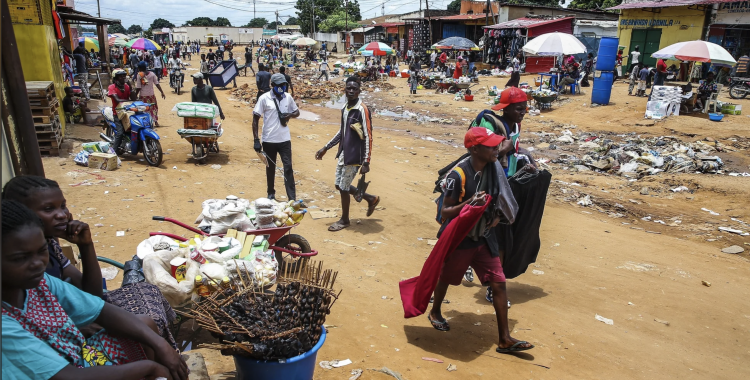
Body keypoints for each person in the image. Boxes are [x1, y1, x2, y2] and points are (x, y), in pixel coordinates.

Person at [0, 200, 190, 380]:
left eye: (41, 251)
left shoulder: (40, 283)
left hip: (76, 358)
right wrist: (150, 367)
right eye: (20, 258)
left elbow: (101, 309)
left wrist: (161, 344)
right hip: (67, 374)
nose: (37, 264)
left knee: (144, 325)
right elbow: (69, 377)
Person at [428, 127, 534, 354]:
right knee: (446, 277)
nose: (497, 148)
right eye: (491, 145)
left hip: (485, 236)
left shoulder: (493, 168)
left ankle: (505, 338)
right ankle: (435, 311)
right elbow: (445, 211)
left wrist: (496, 215)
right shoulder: (459, 175)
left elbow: (498, 196)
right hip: (462, 238)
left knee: (498, 281)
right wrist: (468, 205)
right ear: (475, 149)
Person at [315, 76, 380, 232]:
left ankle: (345, 220)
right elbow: (342, 131)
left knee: (344, 188)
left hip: (355, 156)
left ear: (359, 91)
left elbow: (368, 136)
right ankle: (370, 198)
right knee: (339, 185)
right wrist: (326, 147)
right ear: (344, 89)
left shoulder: (362, 110)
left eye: (354, 88)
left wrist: (366, 161)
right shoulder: (345, 107)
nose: (351, 91)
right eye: (348, 88)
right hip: (344, 153)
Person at [253, 74, 301, 201]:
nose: (282, 87)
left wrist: (289, 115)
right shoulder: (264, 98)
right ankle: (271, 193)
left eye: (283, 85)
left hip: (285, 139)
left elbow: (297, 112)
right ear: (272, 85)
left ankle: (292, 198)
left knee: (288, 167)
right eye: (279, 85)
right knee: (271, 167)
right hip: (269, 139)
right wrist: (256, 139)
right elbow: (255, 119)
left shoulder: (288, 97)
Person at [107, 69, 137, 151]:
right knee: (120, 133)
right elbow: (117, 100)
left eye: (124, 75)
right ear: (116, 78)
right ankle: (114, 151)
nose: (123, 77)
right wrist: (130, 101)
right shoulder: (112, 87)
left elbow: (134, 98)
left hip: (128, 111)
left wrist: (130, 86)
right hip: (117, 113)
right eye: (121, 76)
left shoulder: (127, 87)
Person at [134, 61, 166, 126]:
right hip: (151, 95)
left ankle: (146, 122)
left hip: (143, 96)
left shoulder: (139, 75)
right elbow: (157, 84)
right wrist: (162, 92)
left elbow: (138, 87)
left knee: (144, 109)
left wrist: (135, 95)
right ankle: (155, 121)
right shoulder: (152, 74)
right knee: (153, 108)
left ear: (140, 68)